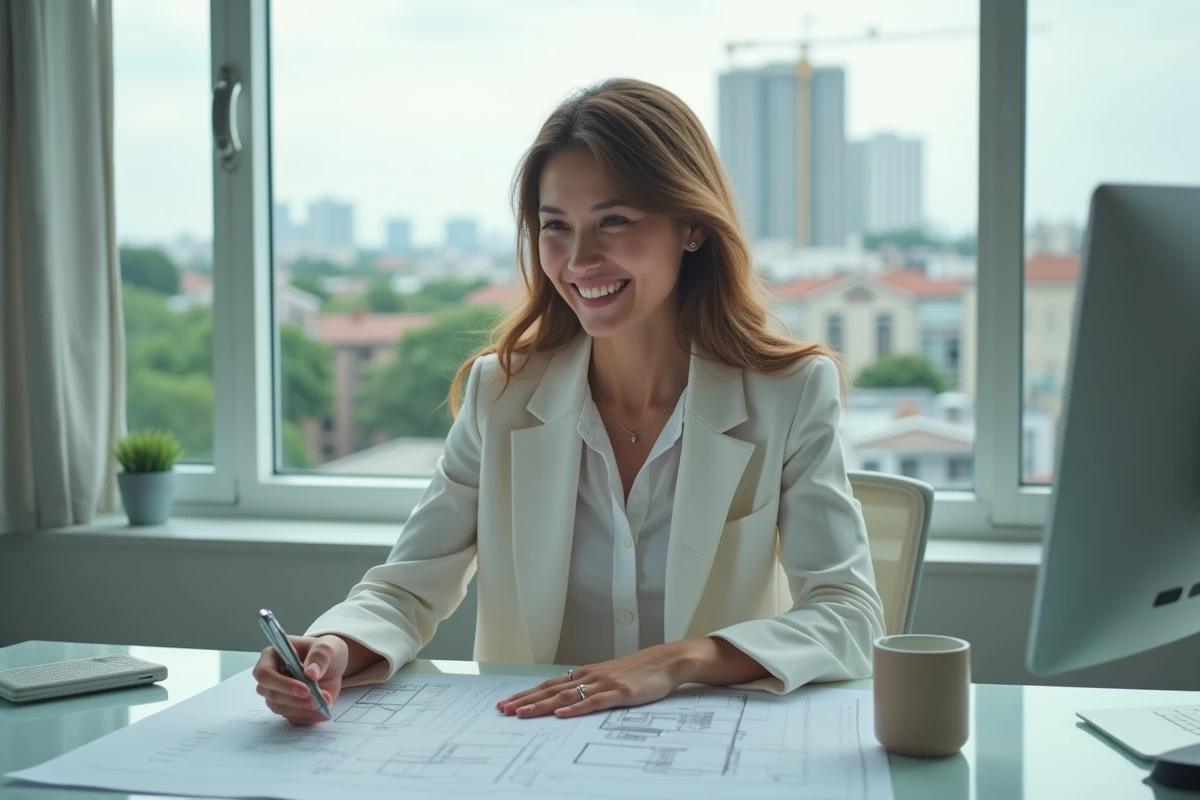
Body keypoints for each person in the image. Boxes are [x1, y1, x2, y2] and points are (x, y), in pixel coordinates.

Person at [252, 78, 885, 725]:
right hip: (529, 748)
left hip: (707, 745)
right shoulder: (501, 393)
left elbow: (849, 614)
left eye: (615, 221)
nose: (581, 259)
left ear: (691, 227)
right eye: (557, 227)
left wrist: (681, 660)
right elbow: (409, 586)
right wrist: (332, 648)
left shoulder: (789, 392)